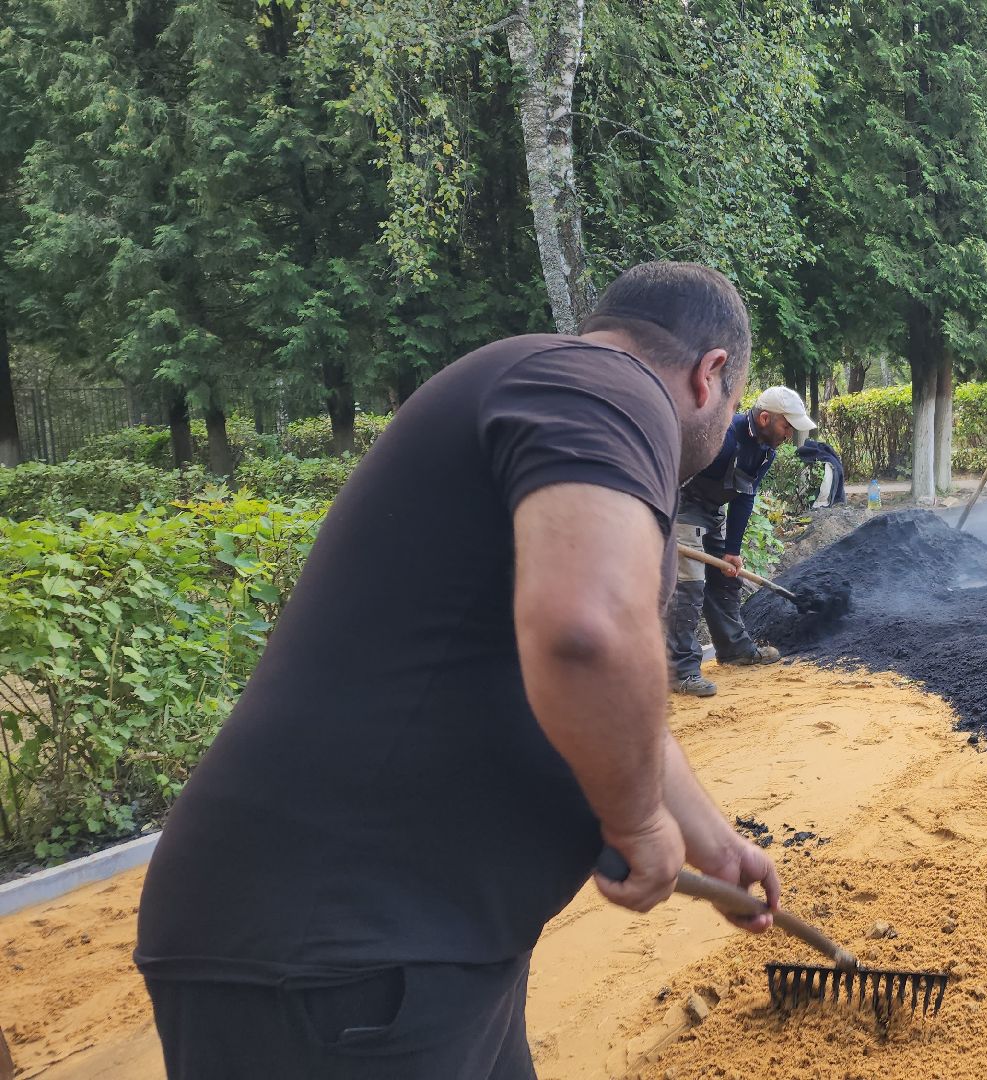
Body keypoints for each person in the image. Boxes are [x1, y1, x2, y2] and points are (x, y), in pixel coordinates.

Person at [134, 262, 781, 1078]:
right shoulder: (606, 388)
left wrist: (713, 843)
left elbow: (618, 702)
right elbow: (588, 638)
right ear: (710, 374)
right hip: (334, 961)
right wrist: (640, 823)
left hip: (419, 954)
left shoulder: (559, 388)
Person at [667, 386, 815, 697]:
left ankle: (733, 649)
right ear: (765, 418)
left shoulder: (765, 452)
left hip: (711, 511)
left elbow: (744, 497)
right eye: (786, 426)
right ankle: (680, 671)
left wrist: (732, 551)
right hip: (680, 506)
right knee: (689, 585)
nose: (789, 434)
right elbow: (670, 471)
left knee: (726, 578)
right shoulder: (722, 437)